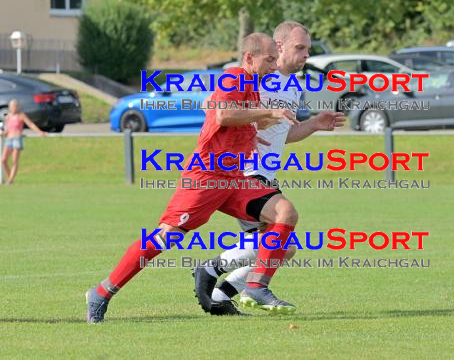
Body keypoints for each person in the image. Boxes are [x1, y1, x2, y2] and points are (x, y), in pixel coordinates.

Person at [86, 32, 302, 323]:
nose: (275, 66)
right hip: (207, 176)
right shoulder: (235, 77)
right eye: (269, 59)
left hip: (234, 179)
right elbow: (224, 114)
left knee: (285, 213)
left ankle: (256, 287)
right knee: (166, 237)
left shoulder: (251, 84)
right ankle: (102, 292)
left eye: (276, 60)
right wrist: (268, 111)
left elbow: (222, 114)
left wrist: (252, 132)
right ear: (249, 57)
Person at [193, 21, 345, 315]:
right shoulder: (258, 75)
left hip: (266, 173)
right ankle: (217, 273)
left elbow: (283, 135)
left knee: (284, 248)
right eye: (300, 48)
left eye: (308, 50)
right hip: (245, 172)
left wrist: (313, 125)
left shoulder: (294, 86)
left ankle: (223, 290)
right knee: (279, 240)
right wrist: (251, 123)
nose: (305, 55)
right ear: (279, 46)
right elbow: (212, 106)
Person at [1, 99, 47, 185]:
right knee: (3, 160)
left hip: (17, 139)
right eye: (11, 106)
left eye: (15, 106)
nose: (13, 108)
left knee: (14, 160)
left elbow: (31, 124)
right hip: (9, 139)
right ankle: (10, 178)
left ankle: (10, 180)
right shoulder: (8, 117)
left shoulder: (21, 115)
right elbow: (7, 129)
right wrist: (3, 133)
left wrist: (39, 132)